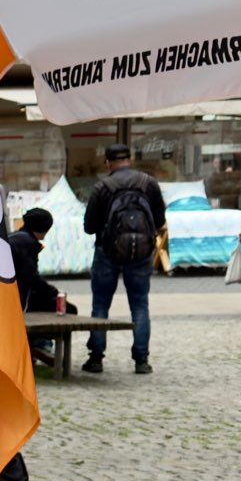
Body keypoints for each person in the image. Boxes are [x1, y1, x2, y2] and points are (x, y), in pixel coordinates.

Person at [81, 143, 164, 376]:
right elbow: (159, 220)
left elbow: (89, 227)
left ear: (108, 162)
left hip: (106, 252)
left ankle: (96, 358)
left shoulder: (102, 187)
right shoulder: (149, 183)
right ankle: (141, 360)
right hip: (141, 254)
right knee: (139, 305)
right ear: (130, 159)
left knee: (100, 305)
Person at [8, 207, 68, 315]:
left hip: (5, 292)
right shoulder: (27, 242)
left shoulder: (15, 237)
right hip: (14, 298)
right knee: (69, 309)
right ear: (44, 229)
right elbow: (32, 278)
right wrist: (53, 292)